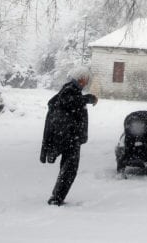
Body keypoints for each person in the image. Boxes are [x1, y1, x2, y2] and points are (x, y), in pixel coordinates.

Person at [40, 65, 98, 205]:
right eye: (85, 79)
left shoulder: (73, 90)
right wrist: (87, 99)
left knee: (68, 168)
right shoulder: (69, 90)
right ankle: (56, 198)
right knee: (70, 169)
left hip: (70, 136)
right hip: (69, 137)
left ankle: (57, 196)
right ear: (80, 79)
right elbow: (68, 102)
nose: (86, 82)